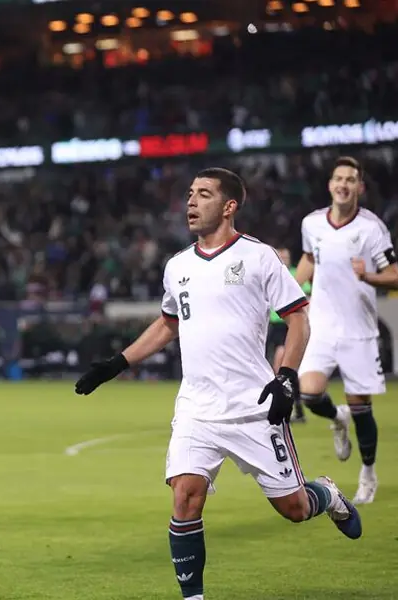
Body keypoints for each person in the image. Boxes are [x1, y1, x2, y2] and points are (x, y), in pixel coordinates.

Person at [74, 168, 362, 600]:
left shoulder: (259, 257)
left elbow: (298, 318)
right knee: (185, 500)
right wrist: (118, 362)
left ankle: (329, 494)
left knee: (294, 508)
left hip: (254, 407)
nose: (191, 201)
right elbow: (169, 324)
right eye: (190, 193)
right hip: (197, 408)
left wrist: (286, 377)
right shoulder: (178, 266)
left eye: (204, 194)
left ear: (229, 207)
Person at [294, 156, 397, 505]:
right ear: (330, 185)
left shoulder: (372, 228)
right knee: (308, 393)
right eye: (338, 178)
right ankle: (336, 417)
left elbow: (394, 273)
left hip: (358, 330)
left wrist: (368, 276)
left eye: (350, 180)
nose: (343, 184)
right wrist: (292, 288)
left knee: (361, 407)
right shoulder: (312, 224)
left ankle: (368, 473)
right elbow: (309, 258)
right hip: (321, 325)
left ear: (360, 188)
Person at [266, 246, 311, 422]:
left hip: (288, 325)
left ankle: (290, 407)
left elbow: (305, 298)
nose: (283, 259)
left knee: (281, 365)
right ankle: (297, 409)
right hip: (273, 326)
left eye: (286, 256)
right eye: (281, 256)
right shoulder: (271, 274)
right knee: (279, 368)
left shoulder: (295, 275)